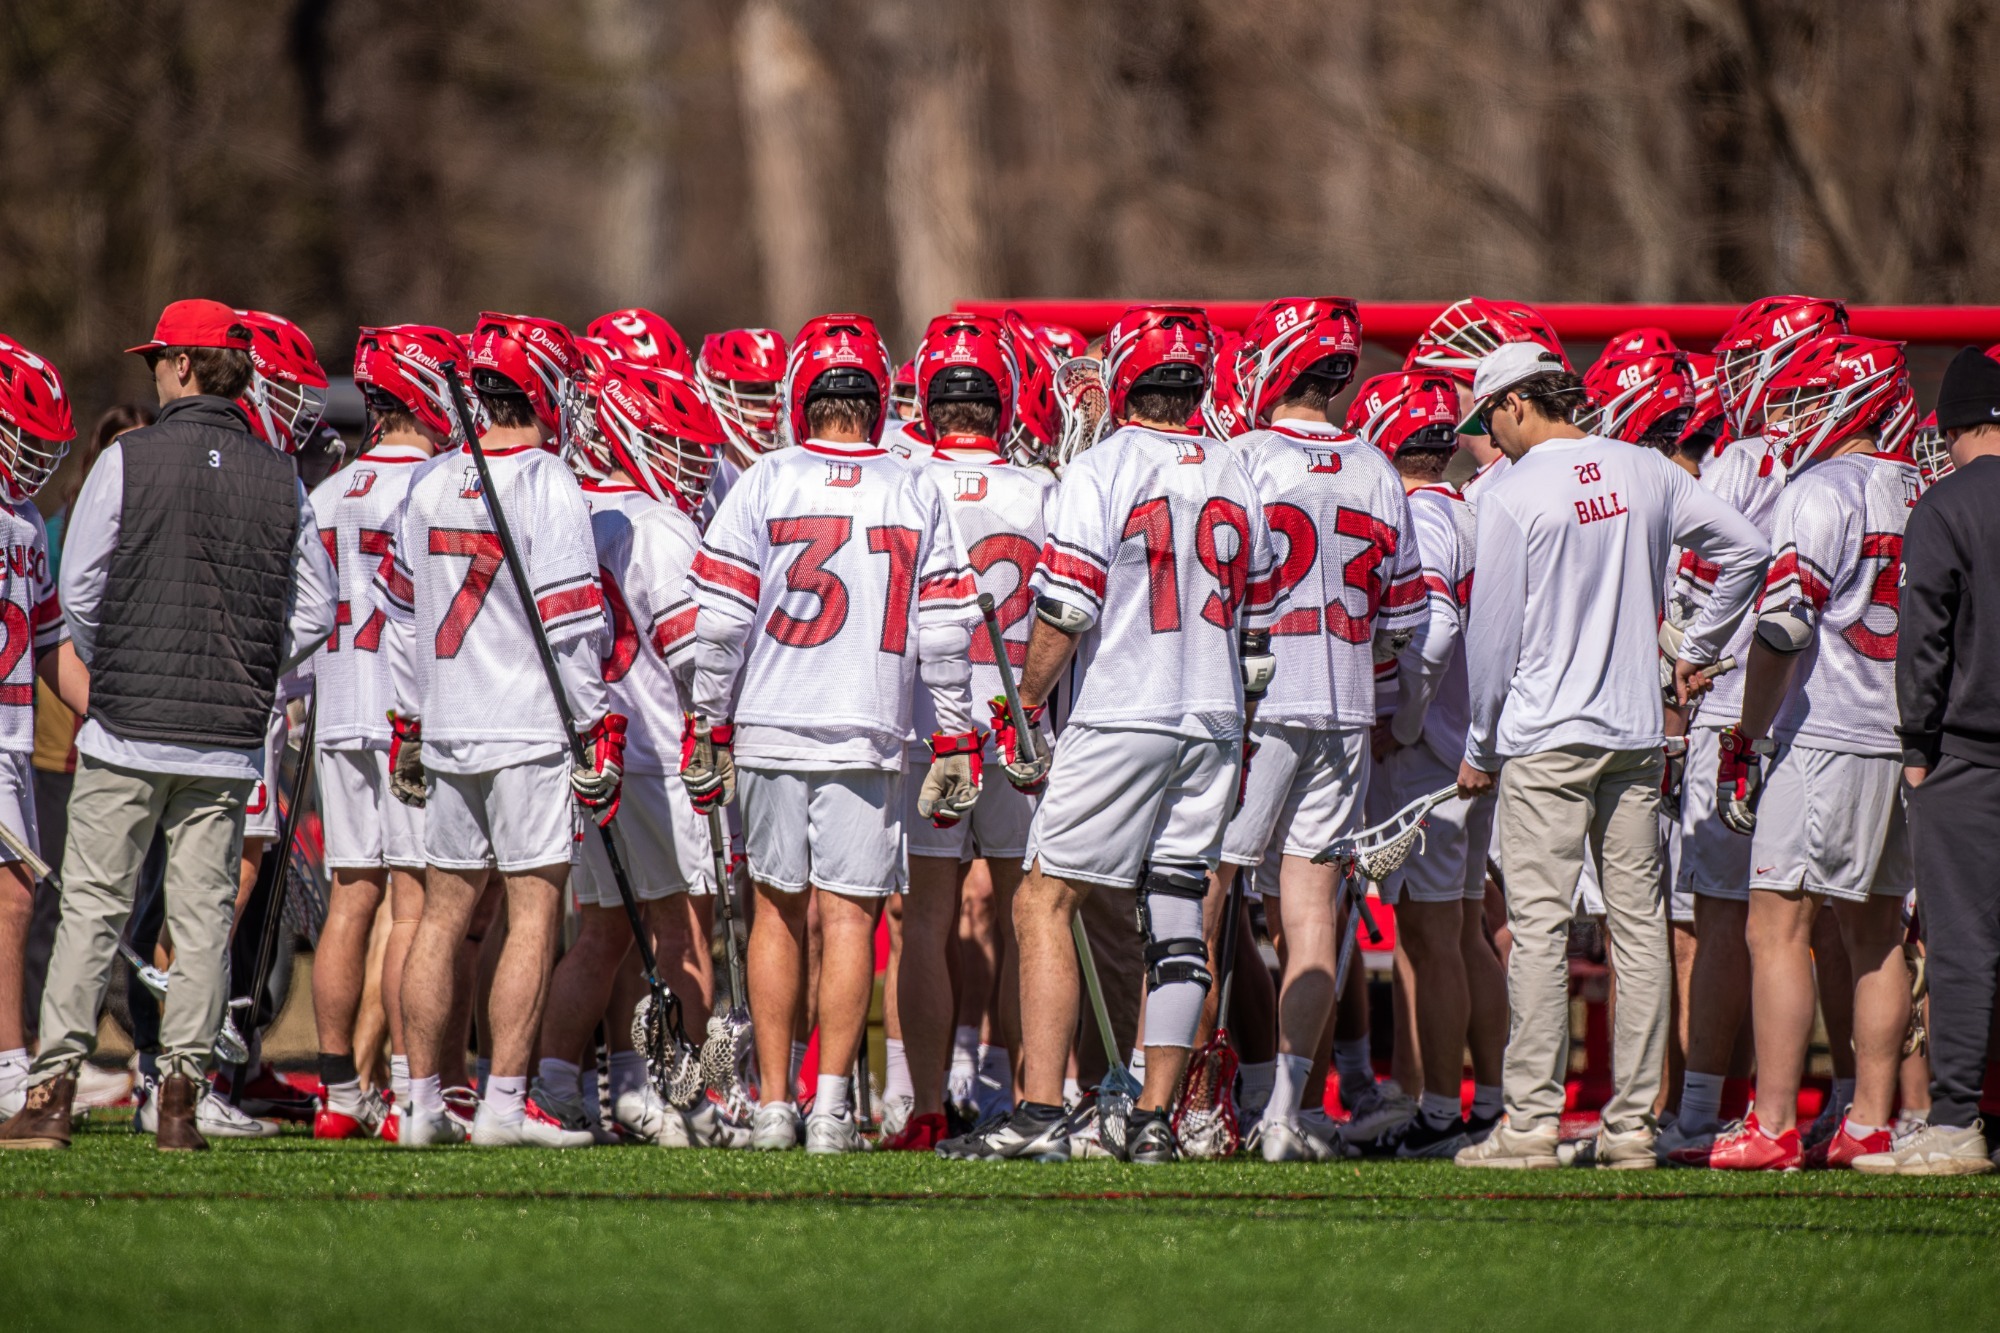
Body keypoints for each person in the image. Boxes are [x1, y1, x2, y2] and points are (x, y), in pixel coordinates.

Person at [942, 305, 1279, 1164]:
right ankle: (1156, 1118)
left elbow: (1067, 607)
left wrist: (1025, 699)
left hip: (1125, 709)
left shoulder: (1105, 467)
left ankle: (1042, 1107)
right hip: (1215, 718)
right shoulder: (1239, 472)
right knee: (1174, 912)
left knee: (1041, 898)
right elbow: (1257, 635)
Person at [0, 299, 336, 1152]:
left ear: (184, 366)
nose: (153, 369)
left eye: (159, 358)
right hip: (225, 733)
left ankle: (52, 1094)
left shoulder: (129, 458)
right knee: (201, 920)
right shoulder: (279, 473)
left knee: (93, 914)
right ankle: (181, 1097)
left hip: (128, 724)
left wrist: (132, 654)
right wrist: (246, 660)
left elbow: (78, 592)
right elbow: (315, 609)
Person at [1448, 340, 1768, 1171]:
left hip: (1545, 740)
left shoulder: (1512, 493)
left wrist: (1479, 742)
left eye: (1488, 416)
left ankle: (1530, 1124)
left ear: (1517, 402)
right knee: (1638, 930)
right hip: (1633, 733)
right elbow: (1748, 552)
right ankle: (1631, 1126)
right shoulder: (1643, 469)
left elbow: (1492, 641)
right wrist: (1693, 647)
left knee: (1542, 931)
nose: (1488, 433)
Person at [681, 313, 979, 1155]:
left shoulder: (765, 478)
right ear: (877, 394)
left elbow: (720, 624)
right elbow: (949, 632)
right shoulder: (913, 484)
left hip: (774, 724)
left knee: (775, 914)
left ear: (802, 392)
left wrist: (709, 719)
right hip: (866, 726)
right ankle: (833, 1104)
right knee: (851, 920)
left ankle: (775, 1102)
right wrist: (953, 733)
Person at [374, 311, 622, 1149]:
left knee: (442, 917)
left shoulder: (433, 479)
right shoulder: (548, 480)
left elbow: (402, 619)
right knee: (532, 912)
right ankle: (505, 1103)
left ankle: (420, 1103)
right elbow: (571, 627)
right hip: (524, 728)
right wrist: (593, 727)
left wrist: (411, 717)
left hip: (448, 724)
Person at [1208, 298, 1426, 1163]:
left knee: (1210, 895)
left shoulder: (1246, 460)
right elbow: (1404, 618)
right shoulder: (1375, 466)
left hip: (1258, 703)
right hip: (1342, 705)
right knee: (1311, 916)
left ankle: (1191, 1096)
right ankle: (1282, 1113)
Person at [1705, 335, 1920, 1170]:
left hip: (1824, 728)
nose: (1786, 416)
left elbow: (1787, 623)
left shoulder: (1819, 490)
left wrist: (1750, 733)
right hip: (1896, 732)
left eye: (1802, 399)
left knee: (1775, 925)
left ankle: (1773, 1120)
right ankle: (1871, 1121)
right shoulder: (1919, 486)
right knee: (1875, 929)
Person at [1659, 297, 1849, 1164]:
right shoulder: (1867, 468)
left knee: (1725, 914)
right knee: (1850, 918)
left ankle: (1708, 1107)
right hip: (1839, 713)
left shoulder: (1743, 462)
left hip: (1743, 703)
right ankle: (1859, 1101)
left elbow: (1691, 581)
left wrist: (1681, 665)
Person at [538, 358, 725, 1147]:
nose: (685, 461)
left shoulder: (572, 510)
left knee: (602, 933)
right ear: (627, 436)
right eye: (668, 443)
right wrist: (719, 721)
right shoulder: (661, 527)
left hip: (596, 749)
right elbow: (693, 653)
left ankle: (550, 1086)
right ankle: (690, 1093)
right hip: (658, 751)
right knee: (684, 931)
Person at [882, 314, 1055, 1151]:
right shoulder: (1041, 490)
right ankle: (1033, 1098)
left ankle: (918, 1105)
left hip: (929, 730)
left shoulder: (905, 480)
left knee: (925, 919)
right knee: (1033, 917)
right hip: (1017, 724)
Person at [1348, 370, 1509, 1159]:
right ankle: (1493, 1100)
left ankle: (1443, 1110)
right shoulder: (1470, 509)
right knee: (1465, 931)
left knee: (1432, 937)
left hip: (1432, 759)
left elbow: (1436, 627)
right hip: (1468, 749)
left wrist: (1400, 722)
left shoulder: (1420, 514)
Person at [306, 325, 459, 1140]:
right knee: (413, 904)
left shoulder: (327, 492)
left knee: (349, 901)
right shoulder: (434, 486)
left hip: (338, 704)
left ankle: (336, 1092)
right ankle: (408, 1088)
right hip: (408, 716)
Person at [1860, 344, 2000, 1175]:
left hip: (1967, 752)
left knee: (1962, 939)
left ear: (1957, 427)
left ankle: (1955, 1119)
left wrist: (1917, 743)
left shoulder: (1946, 506)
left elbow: (1925, 639)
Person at [0, 338, 90, 1125]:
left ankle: (7, 1061)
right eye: (20, 438)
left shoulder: (26, 523)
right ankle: (8, 1065)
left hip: (15, 738)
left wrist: (110, 713)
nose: (32, 461)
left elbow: (52, 640)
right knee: (15, 897)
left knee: (17, 897)